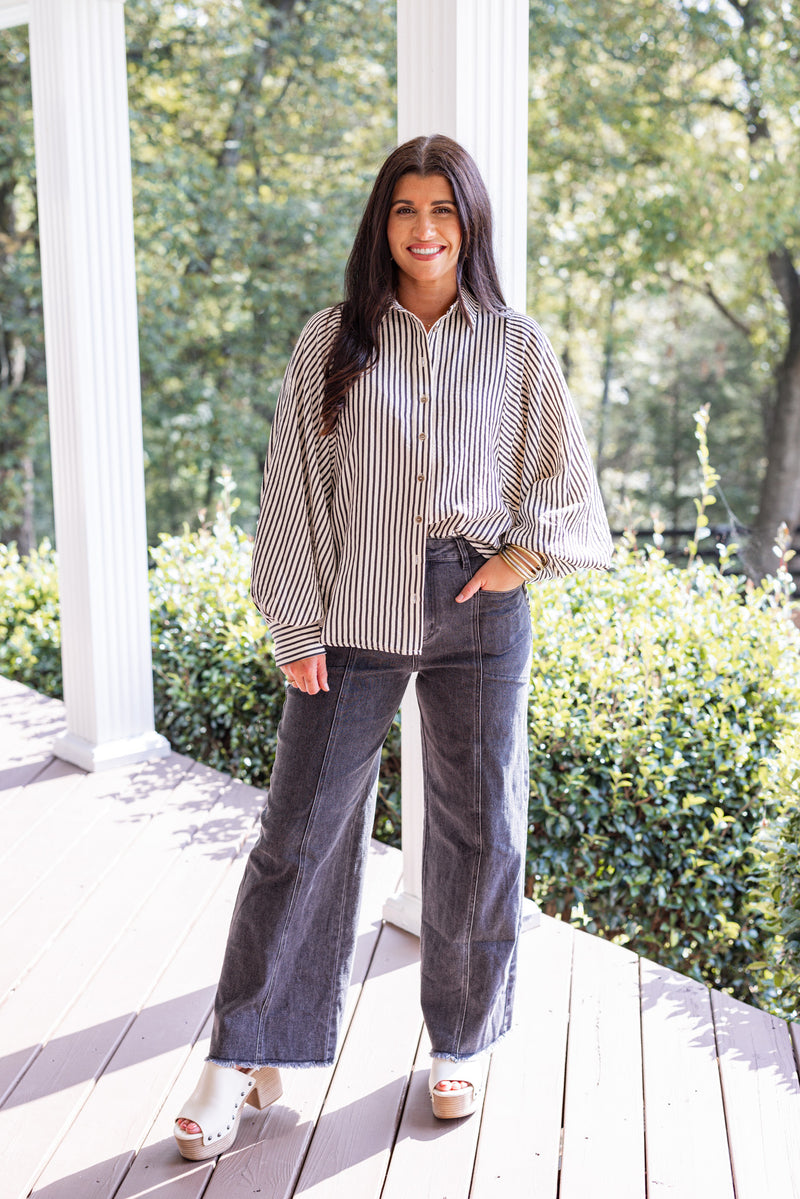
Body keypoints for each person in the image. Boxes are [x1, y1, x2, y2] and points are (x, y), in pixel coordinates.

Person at [174, 134, 612, 1160]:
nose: (423, 230)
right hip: (351, 602)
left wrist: (514, 561)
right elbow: (293, 482)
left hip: (476, 602)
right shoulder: (330, 338)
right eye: (404, 210)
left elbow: (563, 477)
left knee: (477, 829)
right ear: (383, 222)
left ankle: (458, 1035)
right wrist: (293, 620)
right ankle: (243, 1054)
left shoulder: (512, 344)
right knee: (297, 832)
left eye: (442, 211)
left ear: (469, 224)